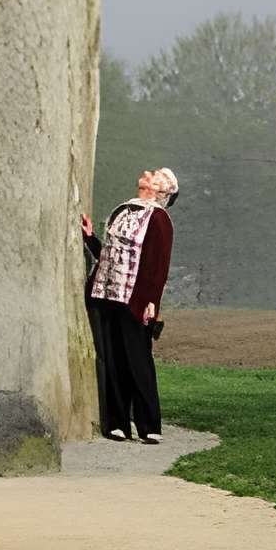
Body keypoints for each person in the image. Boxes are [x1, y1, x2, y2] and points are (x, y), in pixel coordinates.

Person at [81, 166, 178, 443]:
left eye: (155, 175)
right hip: (108, 294)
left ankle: (149, 425)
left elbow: (158, 265)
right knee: (113, 359)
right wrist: (90, 239)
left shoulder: (159, 218)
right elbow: (111, 255)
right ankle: (118, 423)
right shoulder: (125, 209)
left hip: (134, 300)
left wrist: (151, 302)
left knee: (138, 361)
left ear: (162, 191)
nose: (148, 173)